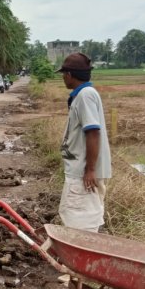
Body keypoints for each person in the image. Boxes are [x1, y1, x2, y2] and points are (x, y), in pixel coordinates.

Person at [57, 52, 112, 233]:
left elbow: (93, 132)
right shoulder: (83, 95)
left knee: (80, 221)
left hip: (83, 174)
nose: (63, 78)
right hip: (80, 170)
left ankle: (81, 256)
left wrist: (89, 169)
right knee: (78, 216)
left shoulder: (85, 96)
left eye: (64, 74)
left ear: (70, 75)